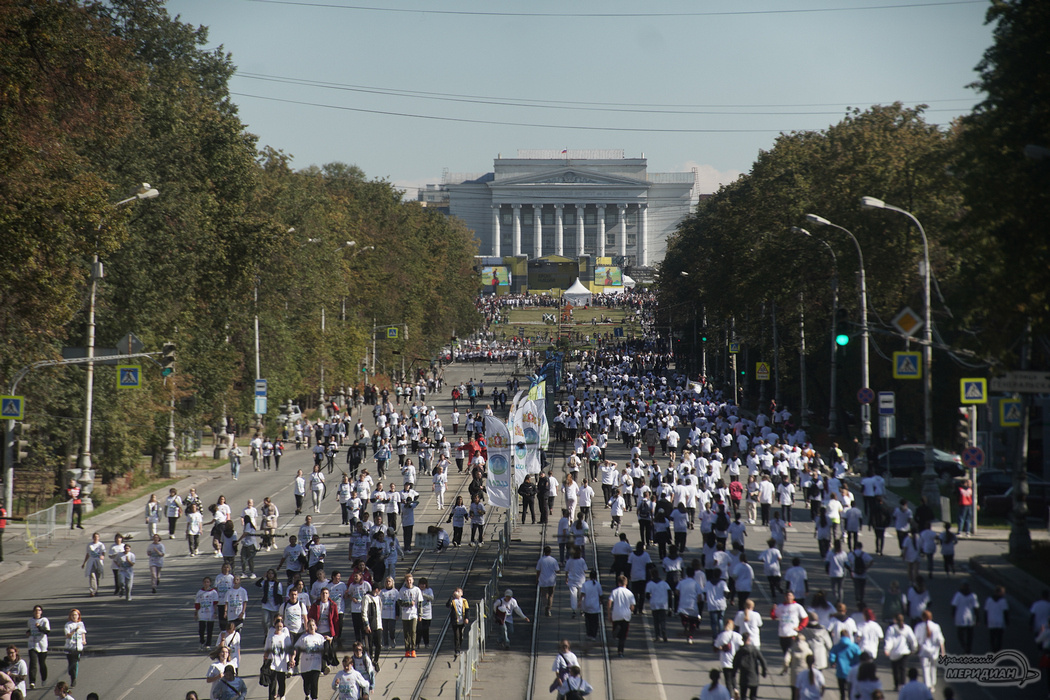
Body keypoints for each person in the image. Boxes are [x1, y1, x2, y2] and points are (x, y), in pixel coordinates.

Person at [293, 619, 327, 700]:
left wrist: (329, 640)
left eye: (313, 625)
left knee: (314, 683)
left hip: (316, 665)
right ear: (307, 627)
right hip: (306, 666)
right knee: (307, 683)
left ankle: (314, 698)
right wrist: (292, 659)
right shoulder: (303, 638)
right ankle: (307, 694)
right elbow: (295, 649)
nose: (311, 627)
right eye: (310, 625)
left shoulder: (320, 637)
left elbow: (325, 650)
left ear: (316, 626)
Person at [884, 614, 918, 692]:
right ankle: (902, 685)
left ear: (894, 620)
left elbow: (889, 640)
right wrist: (914, 649)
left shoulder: (891, 629)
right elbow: (912, 639)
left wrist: (887, 649)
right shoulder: (907, 628)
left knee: (895, 669)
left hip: (894, 652)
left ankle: (896, 685)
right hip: (904, 651)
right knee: (903, 669)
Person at [262, 616, 293, 700]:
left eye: (280, 626)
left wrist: (291, 659)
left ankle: (282, 695)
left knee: (281, 680)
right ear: (274, 626)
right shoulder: (270, 637)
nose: (279, 627)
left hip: (282, 662)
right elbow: (267, 649)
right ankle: (271, 697)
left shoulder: (285, 637)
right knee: (272, 682)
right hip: (272, 662)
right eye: (277, 626)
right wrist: (265, 659)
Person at [914, 610, 945, 692]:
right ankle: (932, 685)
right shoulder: (936, 626)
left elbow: (916, 639)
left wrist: (916, 649)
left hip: (924, 650)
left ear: (922, 617)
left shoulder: (919, 626)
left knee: (925, 668)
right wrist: (943, 652)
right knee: (933, 668)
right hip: (934, 651)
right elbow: (940, 640)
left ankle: (926, 684)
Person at [607, 575, 636, 657]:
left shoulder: (615, 591)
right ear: (626, 583)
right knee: (623, 636)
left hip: (616, 614)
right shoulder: (629, 593)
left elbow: (609, 602)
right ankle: (620, 652)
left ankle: (615, 632)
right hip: (626, 615)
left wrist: (609, 614)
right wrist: (630, 610)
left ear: (618, 583)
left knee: (616, 629)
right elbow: (632, 606)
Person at [828, 628, 860, 700]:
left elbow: (832, 656)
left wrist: (832, 662)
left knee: (842, 693)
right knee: (851, 692)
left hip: (840, 672)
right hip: (851, 672)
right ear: (849, 636)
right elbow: (859, 656)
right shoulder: (854, 647)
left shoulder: (836, 646)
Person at [398, 573, 424, 657]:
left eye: (410, 580)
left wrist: (420, 614)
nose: (409, 582)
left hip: (413, 614)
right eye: (407, 581)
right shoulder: (402, 590)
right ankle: (407, 649)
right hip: (405, 614)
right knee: (406, 633)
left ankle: (413, 649)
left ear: (412, 581)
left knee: (413, 631)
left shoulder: (416, 590)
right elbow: (399, 602)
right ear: (405, 581)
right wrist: (408, 603)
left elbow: (419, 603)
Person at [950, 582, 979, 653]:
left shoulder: (958, 595)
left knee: (960, 635)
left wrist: (953, 614)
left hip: (960, 617)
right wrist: (977, 618)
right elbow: (976, 608)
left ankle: (964, 645)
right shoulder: (973, 596)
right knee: (970, 635)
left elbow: (954, 605)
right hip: (970, 618)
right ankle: (968, 648)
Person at [25, 605, 50, 690]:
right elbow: (30, 629)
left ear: (41, 612)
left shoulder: (44, 620)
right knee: (33, 663)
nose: (37, 612)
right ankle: (32, 682)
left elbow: (47, 631)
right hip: (32, 644)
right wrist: (28, 633)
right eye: (35, 610)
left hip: (42, 645)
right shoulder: (30, 621)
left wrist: (39, 627)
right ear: (33, 612)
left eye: (39, 610)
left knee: (42, 663)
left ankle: (44, 678)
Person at [195, 577, 220, 650]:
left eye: (208, 582)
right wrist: (196, 613)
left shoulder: (213, 592)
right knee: (201, 629)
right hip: (202, 613)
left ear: (210, 583)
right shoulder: (200, 592)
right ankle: (202, 642)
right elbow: (197, 603)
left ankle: (208, 644)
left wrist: (215, 612)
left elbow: (215, 603)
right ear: (203, 583)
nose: (206, 584)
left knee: (209, 629)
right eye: (205, 582)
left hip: (210, 612)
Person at [63, 609, 85, 689]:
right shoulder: (68, 625)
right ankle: (71, 673)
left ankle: (73, 679)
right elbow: (68, 635)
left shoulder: (81, 624)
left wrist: (84, 640)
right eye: (72, 615)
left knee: (75, 663)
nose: (74, 616)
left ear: (78, 616)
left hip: (78, 647)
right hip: (70, 647)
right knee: (70, 664)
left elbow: (83, 632)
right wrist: (75, 631)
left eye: (75, 615)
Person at [447, 588, 469, 659]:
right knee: (456, 636)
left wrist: (466, 618)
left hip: (462, 621)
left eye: (459, 592)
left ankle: (459, 645)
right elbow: (448, 605)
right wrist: (451, 597)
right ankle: (457, 650)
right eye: (456, 591)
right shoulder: (453, 601)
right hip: (455, 621)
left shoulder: (464, 601)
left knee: (461, 635)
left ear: (461, 594)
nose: (457, 593)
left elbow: (467, 610)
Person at [81, 533, 105, 597]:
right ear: (93, 538)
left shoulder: (101, 545)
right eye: (94, 537)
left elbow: (103, 553)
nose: (96, 538)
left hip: (98, 562)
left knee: (97, 577)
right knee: (92, 576)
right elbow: (88, 554)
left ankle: (96, 589)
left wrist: (102, 556)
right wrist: (84, 563)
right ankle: (92, 590)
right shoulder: (89, 545)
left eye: (97, 537)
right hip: (91, 562)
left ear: (99, 538)